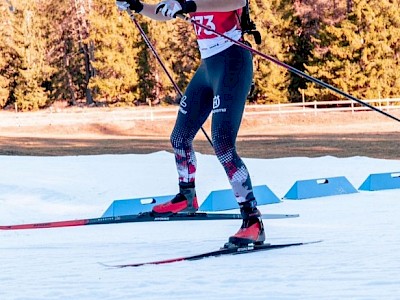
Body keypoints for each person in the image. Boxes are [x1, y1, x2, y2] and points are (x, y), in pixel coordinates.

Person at [116, 0, 265, 246]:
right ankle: (187, 197)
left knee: (223, 145)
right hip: (208, 66)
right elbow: (165, 12)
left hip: (232, 61)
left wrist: (187, 5)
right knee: (179, 138)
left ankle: (252, 221)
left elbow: (237, 1)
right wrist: (138, 6)